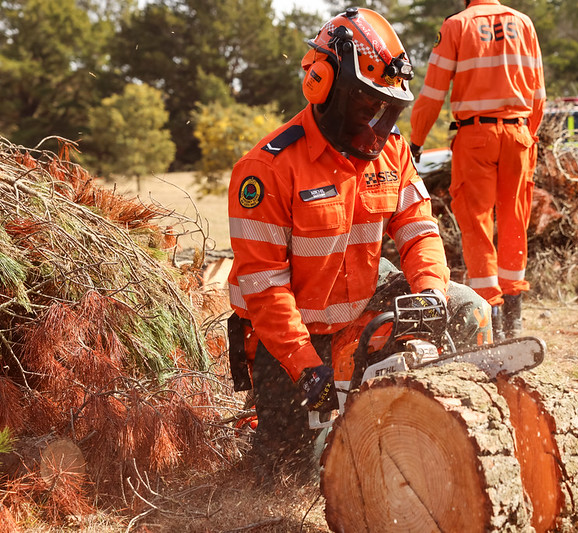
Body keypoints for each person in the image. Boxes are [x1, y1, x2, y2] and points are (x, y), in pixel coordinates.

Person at [226, 7, 492, 478]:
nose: (377, 123)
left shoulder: (390, 152)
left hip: (361, 304)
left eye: (387, 110)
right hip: (288, 339)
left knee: (466, 307)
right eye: (367, 106)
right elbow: (264, 285)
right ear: (322, 86)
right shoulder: (268, 169)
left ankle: (470, 434)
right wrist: (306, 366)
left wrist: (429, 292)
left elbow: (417, 227)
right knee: (293, 474)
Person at [409, 0, 546, 340]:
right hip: (519, 133)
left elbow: (432, 93)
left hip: (476, 136)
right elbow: (539, 94)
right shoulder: (524, 23)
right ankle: (513, 314)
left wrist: (416, 141)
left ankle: (490, 317)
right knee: (515, 219)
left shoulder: (457, 25)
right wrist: (529, 134)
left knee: (477, 222)